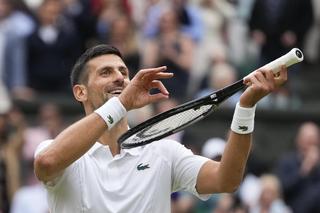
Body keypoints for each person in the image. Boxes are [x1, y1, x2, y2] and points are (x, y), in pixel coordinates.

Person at [34, 44, 288, 213]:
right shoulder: (58, 152)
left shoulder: (164, 153)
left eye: (123, 71)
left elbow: (227, 179)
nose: (120, 77)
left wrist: (246, 106)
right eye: (105, 72)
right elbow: (47, 162)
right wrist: (121, 104)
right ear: (80, 92)